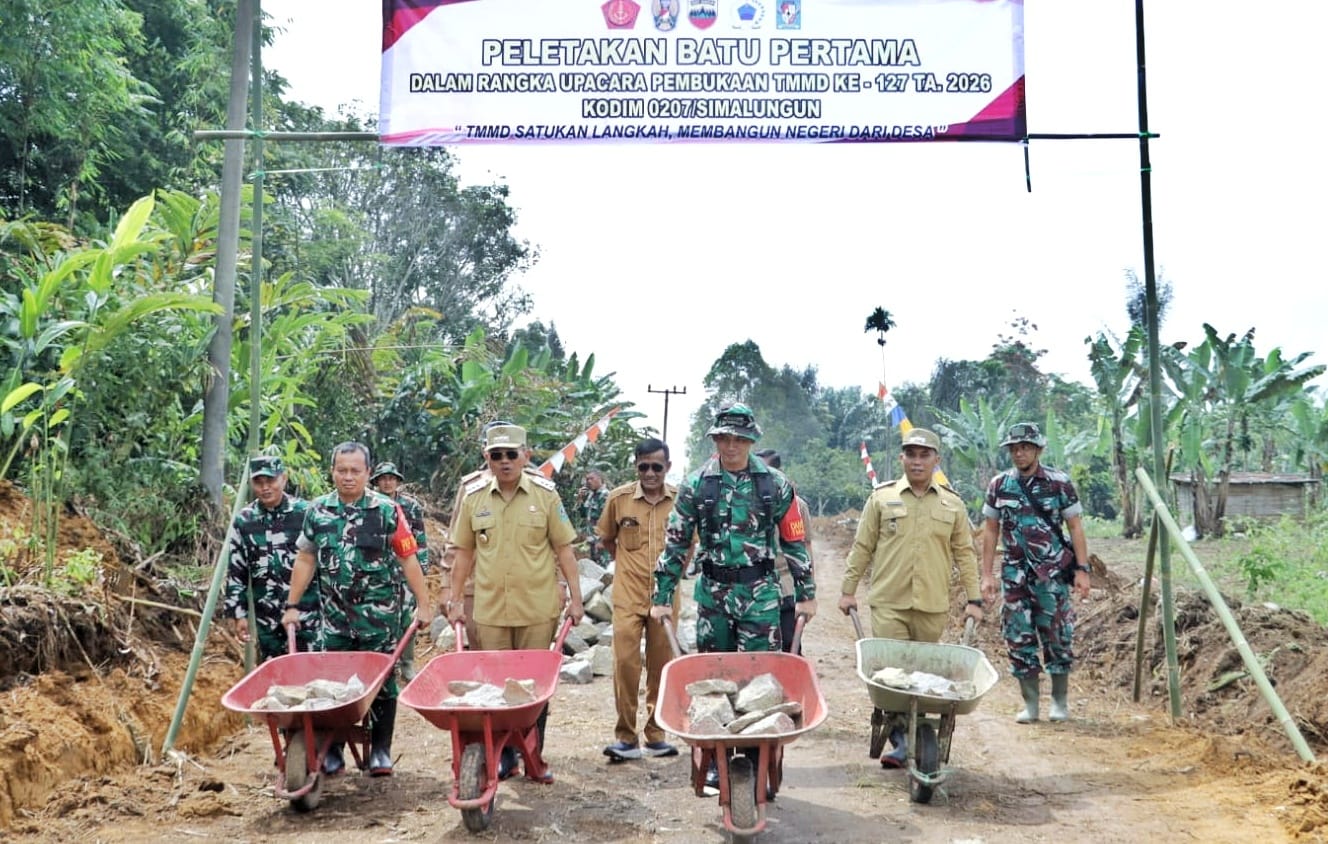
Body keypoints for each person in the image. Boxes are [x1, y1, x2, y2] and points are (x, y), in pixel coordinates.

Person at [650, 404, 816, 790]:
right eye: (723, 437)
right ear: (715, 439)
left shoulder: (775, 484)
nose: (731, 445)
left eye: (739, 438)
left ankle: (758, 760)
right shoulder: (697, 485)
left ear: (751, 440)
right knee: (714, 678)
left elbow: (794, 542)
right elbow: (675, 544)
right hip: (714, 597)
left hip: (760, 596)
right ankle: (716, 759)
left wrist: (806, 596)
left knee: (760, 679)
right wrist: (661, 595)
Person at [282, 442, 433, 777]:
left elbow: (408, 558)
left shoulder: (387, 510)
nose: (348, 477)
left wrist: (423, 603)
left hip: (379, 618)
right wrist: (292, 605)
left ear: (368, 472)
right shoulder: (317, 511)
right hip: (334, 618)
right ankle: (333, 750)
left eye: (355, 471)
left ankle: (380, 750)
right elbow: (306, 559)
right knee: (332, 683)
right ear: (332, 471)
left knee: (382, 683)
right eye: (341, 470)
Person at [446, 423, 586, 782]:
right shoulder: (474, 497)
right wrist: (455, 600)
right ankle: (504, 754)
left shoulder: (546, 495)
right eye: (497, 455)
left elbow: (564, 550)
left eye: (512, 454)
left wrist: (576, 598)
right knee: (494, 688)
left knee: (534, 688)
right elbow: (463, 554)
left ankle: (533, 755)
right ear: (487, 458)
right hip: (491, 612)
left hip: (537, 610)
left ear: (526, 455)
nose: (505, 461)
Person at [837, 428, 983, 767]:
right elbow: (863, 547)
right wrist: (847, 591)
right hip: (889, 602)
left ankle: (917, 737)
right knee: (892, 677)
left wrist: (974, 600)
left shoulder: (953, 504)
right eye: (911, 454)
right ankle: (902, 741)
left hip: (932, 605)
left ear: (936, 460)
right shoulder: (882, 499)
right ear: (902, 458)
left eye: (924, 455)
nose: (917, 461)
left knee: (922, 678)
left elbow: (965, 554)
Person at [980, 422, 1091, 724]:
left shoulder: (1059, 483)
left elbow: (1075, 527)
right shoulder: (999, 485)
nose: (1019, 453)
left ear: (1039, 449)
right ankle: (1030, 705)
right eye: (1014, 449)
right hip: (1014, 576)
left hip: (1052, 575)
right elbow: (990, 531)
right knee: (1018, 637)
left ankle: (1059, 702)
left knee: (1057, 636)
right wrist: (987, 575)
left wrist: (1082, 570)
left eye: (1025, 447)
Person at [598, 438, 684, 763]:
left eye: (656, 467)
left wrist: (675, 574)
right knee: (625, 664)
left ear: (667, 468)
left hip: (665, 598)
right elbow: (607, 538)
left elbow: (688, 542)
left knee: (661, 665)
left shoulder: (679, 501)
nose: (650, 473)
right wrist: (627, 567)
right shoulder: (618, 500)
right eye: (643, 467)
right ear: (636, 467)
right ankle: (625, 737)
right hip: (627, 596)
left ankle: (656, 734)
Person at [224, 455, 316, 662]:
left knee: (310, 672)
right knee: (273, 673)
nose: (265, 488)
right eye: (259, 482)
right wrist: (239, 613)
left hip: (307, 613)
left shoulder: (306, 513)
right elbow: (237, 570)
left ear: (283, 478)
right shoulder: (245, 520)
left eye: (271, 481)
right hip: (267, 615)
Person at [370, 461, 430, 679]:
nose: (388, 482)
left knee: (407, 617)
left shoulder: (410, 506)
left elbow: (419, 540)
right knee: (379, 618)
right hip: (379, 572)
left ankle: (407, 662)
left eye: (391, 478)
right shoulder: (370, 504)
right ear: (376, 481)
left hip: (405, 570)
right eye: (383, 478)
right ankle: (384, 663)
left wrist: (421, 570)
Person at [755, 448, 815, 655]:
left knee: (789, 643)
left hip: (785, 585)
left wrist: (807, 591)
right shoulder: (745, 502)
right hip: (753, 587)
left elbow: (804, 546)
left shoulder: (796, 505)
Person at [577, 469, 610, 564]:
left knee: (603, 569)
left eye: (591, 478)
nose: (588, 481)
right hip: (592, 539)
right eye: (587, 479)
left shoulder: (605, 495)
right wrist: (580, 499)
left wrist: (602, 541)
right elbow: (584, 515)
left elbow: (608, 519)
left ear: (600, 479)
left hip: (602, 542)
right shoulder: (591, 496)